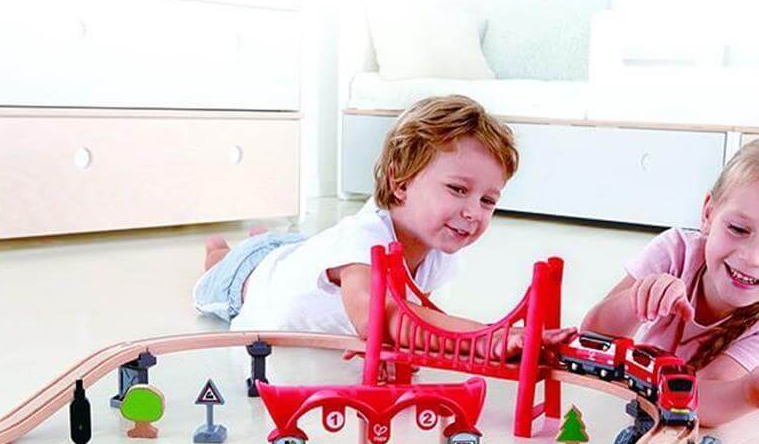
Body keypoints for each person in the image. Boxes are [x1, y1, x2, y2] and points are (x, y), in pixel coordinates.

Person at [193, 95, 573, 358]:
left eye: (488, 200)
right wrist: (486, 338)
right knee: (223, 265)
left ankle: (270, 240)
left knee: (304, 248)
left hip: (306, 251)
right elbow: (379, 317)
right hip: (249, 276)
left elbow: (411, 313)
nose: (474, 212)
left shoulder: (436, 245)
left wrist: (393, 348)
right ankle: (222, 248)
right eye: (458, 190)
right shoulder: (365, 240)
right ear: (401, 182)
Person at [581, 135, 759, 426]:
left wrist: (745, 393)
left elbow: (701, 403)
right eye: (738, 229)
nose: (752, 258)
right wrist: (639, 298)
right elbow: (592, 337)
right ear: (708, 213)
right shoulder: (675, 251)